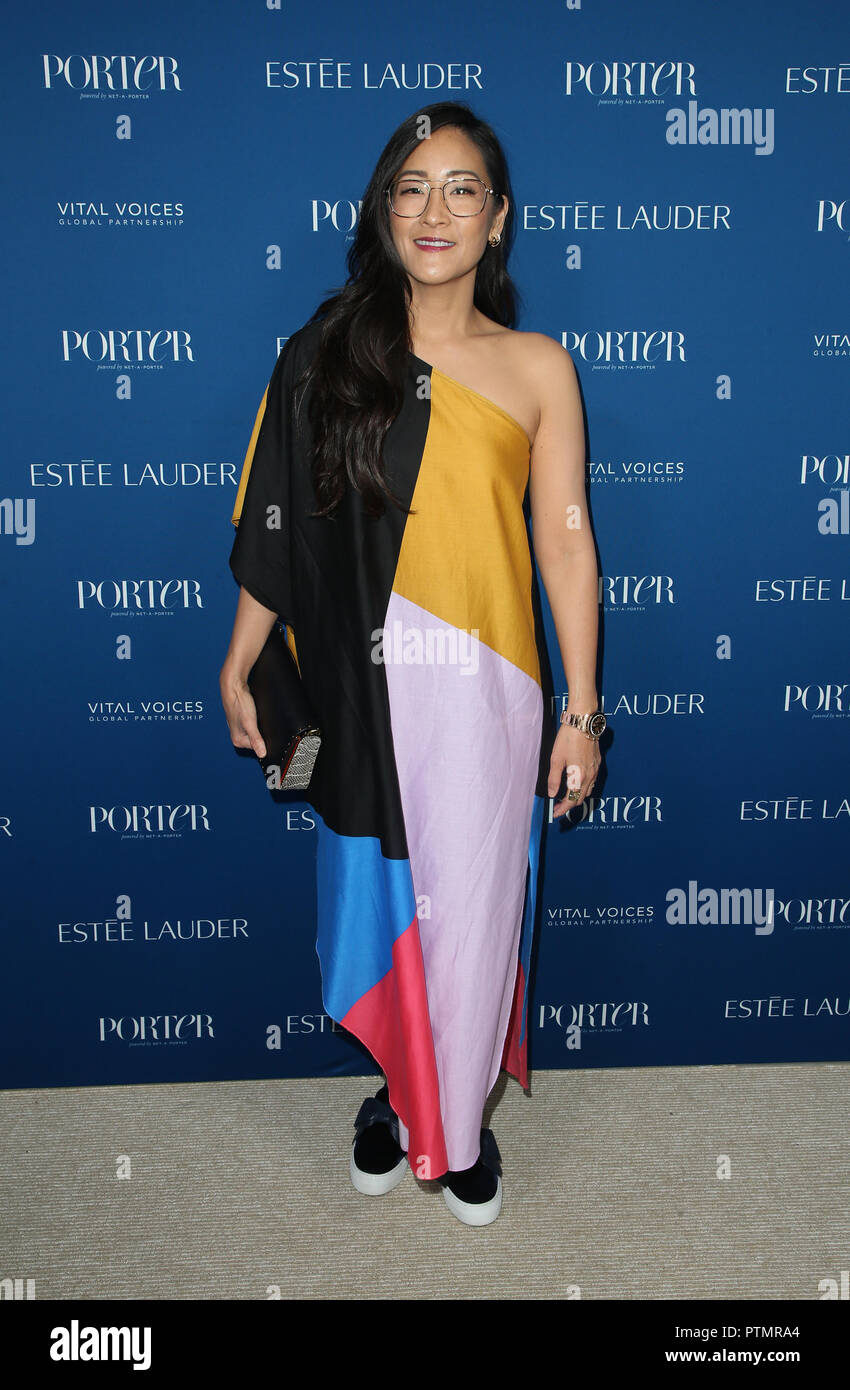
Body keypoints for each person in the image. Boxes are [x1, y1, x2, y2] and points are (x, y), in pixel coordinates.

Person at [219, 101, 603, 1228]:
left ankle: (462, 1123)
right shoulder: (321, 354)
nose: (434, 210)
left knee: (476, 906)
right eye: (412, 187)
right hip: (360, 684)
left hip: (486, 689)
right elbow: (277, 527)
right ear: (384, 211)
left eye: (461, 188)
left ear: (497, 220)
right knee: (382, 905)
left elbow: (567, 538)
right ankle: (396, 1094)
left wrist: (581, 713)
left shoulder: (537, 365)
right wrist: (242, 662)